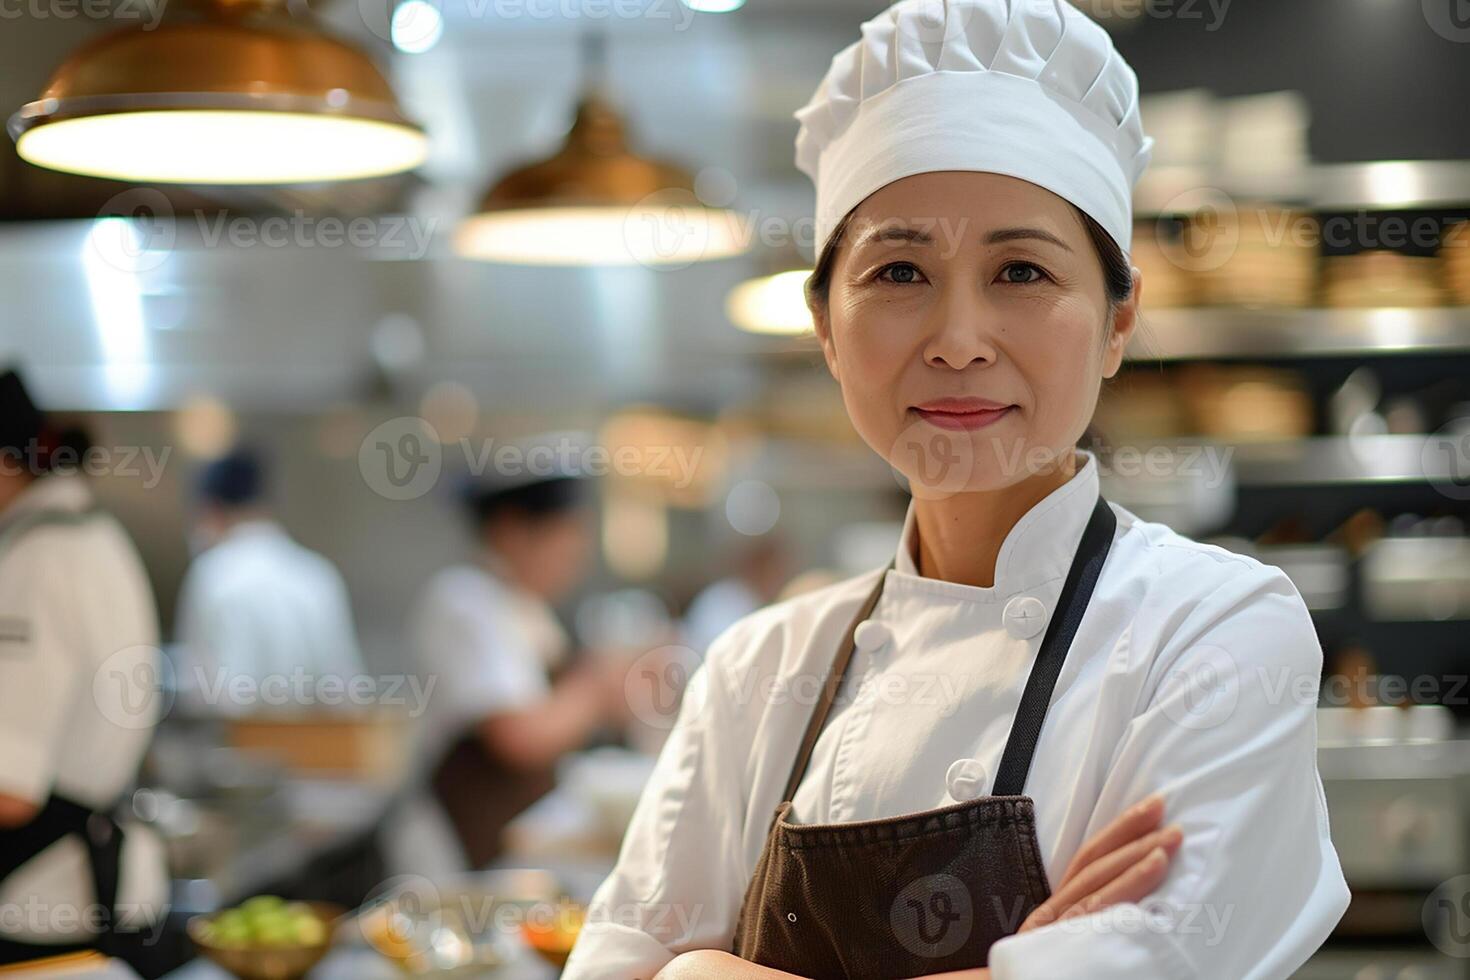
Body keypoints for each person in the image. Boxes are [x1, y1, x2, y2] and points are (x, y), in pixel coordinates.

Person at [563, 3, 1349, 978]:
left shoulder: (1215, 632)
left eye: (1021, 269)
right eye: (899, 270)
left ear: (1117, 320)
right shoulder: (754, 670)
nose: (959, 338)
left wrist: (702, 970)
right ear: (825, 325)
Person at [394, 439, 635, 874]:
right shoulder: (465, 601)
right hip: (454, 852)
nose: (575, 555)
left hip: (509, 846)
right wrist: (596, 685)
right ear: (510, 530)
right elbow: (519, 737)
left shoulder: (525, 606)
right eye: (565, 536)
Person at [0, 368, 172, 973]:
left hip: (45, 906)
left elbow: (9, 791)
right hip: (99, 892)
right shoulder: (94, 534)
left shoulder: (34, 564)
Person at [173, 447, 365, 713]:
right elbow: (346, 691)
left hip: (232, 747)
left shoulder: (211, 574)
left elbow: (198, 693)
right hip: (313, 749)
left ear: (211, 510)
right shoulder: (317, 574)